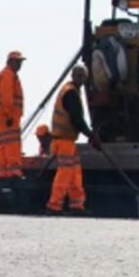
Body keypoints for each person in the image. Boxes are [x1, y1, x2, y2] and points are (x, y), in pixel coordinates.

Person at [47, 65, 102, 215]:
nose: (80, 78)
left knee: (74, 176)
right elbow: (77, 119)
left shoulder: (71, 90)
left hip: (68, 141)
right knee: (64, 176)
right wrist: (92, 136)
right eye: (78, 75)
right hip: (63, 141)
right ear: (73, 76)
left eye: (82, 76)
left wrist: (90, 136)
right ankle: (54, 206)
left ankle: (77, 205)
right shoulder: (70, 93)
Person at [0, 51, 26, 182]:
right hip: (8, 116)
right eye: (17, 62)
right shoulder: (8, 75)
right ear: (10, 61)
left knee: (3, 144)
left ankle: (3, 173)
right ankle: (13, 172)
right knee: (12, 144)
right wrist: (9, 114)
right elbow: (7, 97)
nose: (20, 65)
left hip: (3, 116)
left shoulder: (6, 74)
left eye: (20, 62)